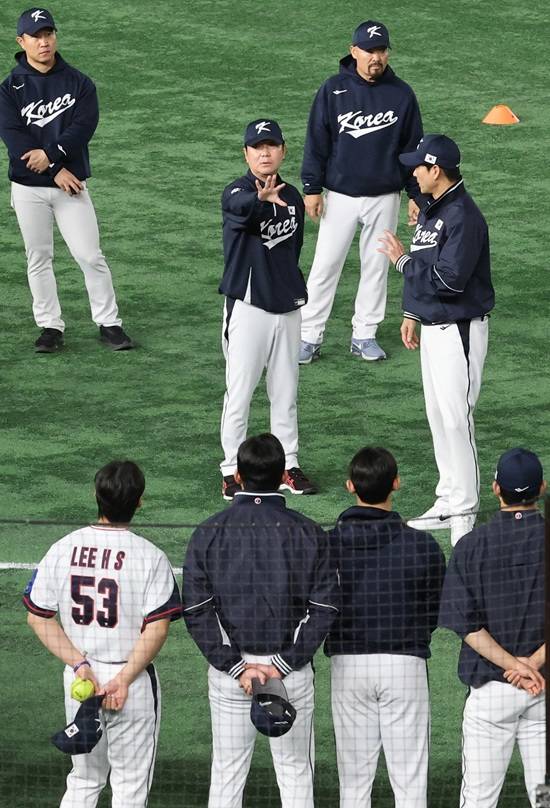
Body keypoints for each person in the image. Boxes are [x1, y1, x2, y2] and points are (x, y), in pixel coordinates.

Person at [183, 433, 340, 808]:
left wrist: (236, 667)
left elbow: (196, 610)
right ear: (284, 476)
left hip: (231, 677)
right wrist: (283, 664)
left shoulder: (208, 531)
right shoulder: (309, 532)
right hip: (290, 674)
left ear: (237, 476)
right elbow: (324, 608)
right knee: (296, 772)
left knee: (227, 775)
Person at [23, 460, 182, 807]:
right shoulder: (150, 557)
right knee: (130, 786)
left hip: (81, 681)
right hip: (132, 684)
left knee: (83, 780)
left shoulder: (63, 547)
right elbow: (157, 628)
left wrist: (80, 665)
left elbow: (38, 617)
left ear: (96, 495)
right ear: (139, 502)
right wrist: (122, 680)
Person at [378, 134, 495, 544]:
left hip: (459, 329)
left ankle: (465, 510)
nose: (413, 173)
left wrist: (401, 262)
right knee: (438, 417)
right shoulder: (434, 209)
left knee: (457, 419)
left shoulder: (463, 216)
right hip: (434, 327)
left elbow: (449, 280)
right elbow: (428, 263)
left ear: (437, 170)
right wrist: (412, 312)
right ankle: (447, 499)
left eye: (419, 167)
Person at [0, 8, 133, 353]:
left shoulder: (79, 82)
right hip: (30, 188)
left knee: (89, 255)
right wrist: (55, 169)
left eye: (48, 34)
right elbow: (14, 138)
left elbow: (83, 128)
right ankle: (50, 326)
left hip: (71, 188)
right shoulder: (10, 88)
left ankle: (109, 323)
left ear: (55, 36)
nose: (44, 42)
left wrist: (52, 156)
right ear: (21, 41)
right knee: (38, 257)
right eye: (36, 36)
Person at [326, 446, 445, 808]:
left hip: (349, 666)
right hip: (405, 664)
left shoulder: (328, 545)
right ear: (396, 483)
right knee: (410, 782)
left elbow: (317, 606)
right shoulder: (422, 545)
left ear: (350, 486)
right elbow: (434, 609)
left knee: (354, 782)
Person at [299, 19, 423, 365]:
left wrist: (416, 194)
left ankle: (365, 335)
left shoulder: (402, 94)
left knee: (376, 266)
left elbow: (412, 148)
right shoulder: (333, 89)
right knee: (325, 265)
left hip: (385, 196)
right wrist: (312, 188)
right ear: (353, 51)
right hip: (340, 196)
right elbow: (317, 140)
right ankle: (309, 336)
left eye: (381, 50)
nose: (375, 57)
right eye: (369, 50)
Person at [438, 447, 547, 808]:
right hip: (544, 688)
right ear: (542, 488)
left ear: (496, 488)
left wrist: (514, 666)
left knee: (479, 800)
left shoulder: (470, 546)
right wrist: (533, 663)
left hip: (491, 694)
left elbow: (467, 626)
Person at [219, 118, 316, 499]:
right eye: (257, 147)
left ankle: (288, 464)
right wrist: (259, 199)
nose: (265, 153)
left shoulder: (292, 196)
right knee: (240, 391)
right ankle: (231, 468)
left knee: (286, 390)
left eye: (271, 145)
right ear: (245, 154)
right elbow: (239, 208)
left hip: (287, 305)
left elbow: (294, 247)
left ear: (283, 151)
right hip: (249, 307)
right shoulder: (236, 191)